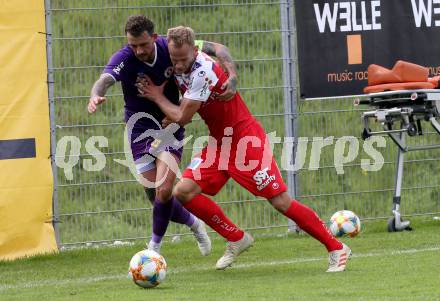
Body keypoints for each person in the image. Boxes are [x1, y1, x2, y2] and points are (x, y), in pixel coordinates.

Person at [137, 26, 352, 272]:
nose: (177, 65)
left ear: (194, 52)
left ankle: (336, 247)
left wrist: (157, 97)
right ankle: (236, 237)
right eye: (173, 60)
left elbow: (182, 117)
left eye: (183, 60)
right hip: (220, 142)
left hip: (245, 141)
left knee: (280, 201)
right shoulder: (183, 50)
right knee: (184, 192)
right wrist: (232, 75)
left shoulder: (202, 72)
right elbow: (220, 48)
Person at [87, 15, 239, 255]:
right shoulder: (124, 58)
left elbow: (219, 48)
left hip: (169, 125)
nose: (138, 50)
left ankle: (153, 250)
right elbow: (105, 79)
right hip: (138, 129)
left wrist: (231, 75)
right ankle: (194, 223)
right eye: (133, 45)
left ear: (154, 38)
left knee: (164, 190)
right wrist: (95, 94)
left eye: (143, 45)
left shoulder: (169, 48)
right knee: (157, 197)